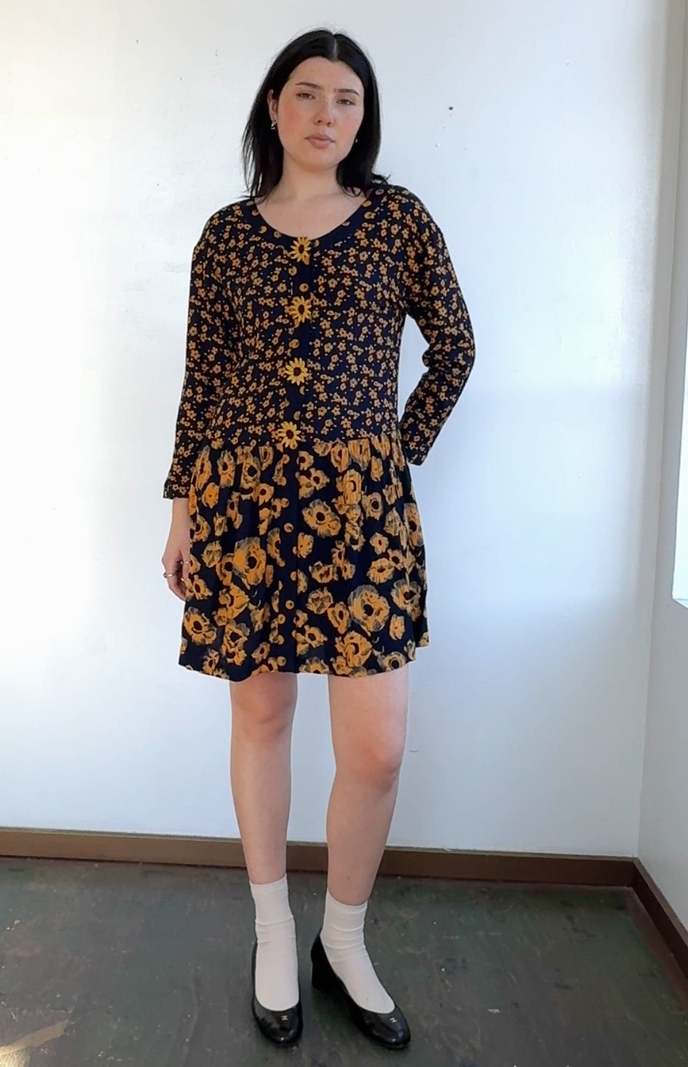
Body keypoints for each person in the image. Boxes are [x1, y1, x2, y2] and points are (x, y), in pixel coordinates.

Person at [161, 27, 475, 1050]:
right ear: (272, 106)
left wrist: (392, 453)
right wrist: (182, 508)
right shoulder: (225, 236)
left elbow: (455, 346)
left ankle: (342, 939)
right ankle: (270, 928)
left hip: (363, 518)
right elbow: (204, 380)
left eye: (346, 98)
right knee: (261, 716)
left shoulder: (397, 220)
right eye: (306, 93)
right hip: (243, 508)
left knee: (375, 748)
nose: (325, 113)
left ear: (362, 117)